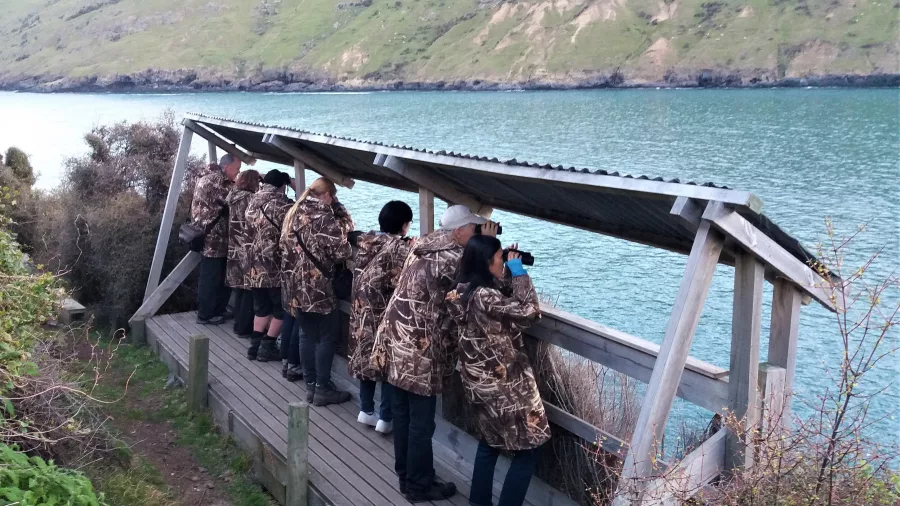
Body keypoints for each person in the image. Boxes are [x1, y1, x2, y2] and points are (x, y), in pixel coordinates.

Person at [374, 204, 498, 502]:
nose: (478, 232)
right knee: (421, 421)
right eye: (474, 229)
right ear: (458, 232)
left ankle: (407, 477)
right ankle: (419, 485)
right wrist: (492, 247)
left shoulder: (424, 245)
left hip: (396, 338)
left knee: (403, 414)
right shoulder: (453, 258)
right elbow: (484, 286)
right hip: (420, 348)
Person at [445, 236, 548, 506]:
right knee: (530, 447)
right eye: (500, 258)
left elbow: (490, 297)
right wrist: (519, 272)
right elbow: (530, 312)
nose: (504, 261)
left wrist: (506, 267)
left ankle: (478, 502)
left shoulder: (460, 290)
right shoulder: (485, 297)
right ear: (487, 263)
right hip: (505, 387)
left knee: (489, 442)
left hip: (477, 383)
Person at [281, 177, 354, 406]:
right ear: (327, 195)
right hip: (318, 288)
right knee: (325, 337)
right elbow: (342, 251)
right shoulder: (324, 216)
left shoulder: (293, 212)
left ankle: (310, 385)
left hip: (295, 286)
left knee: (306, 334)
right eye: (332, 196)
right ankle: (323, 387)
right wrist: (339, 208)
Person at [349, 201, 414, 435]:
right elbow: (404, 280)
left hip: (360, 311)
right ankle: (386, 418)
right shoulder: (399, 248)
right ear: (404, 225)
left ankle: (366, 410)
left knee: (366, 359)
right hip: (384, 314)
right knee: (386, 364)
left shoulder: (366, 240)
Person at [246, 170, 293, 363]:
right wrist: (297, 188)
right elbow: (301, 211)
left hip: (254, 260)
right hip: (272, 262)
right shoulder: (281, 205)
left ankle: (254, 347)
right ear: (282, 186)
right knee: (280, 309)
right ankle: (267, 346)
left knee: (261, 307)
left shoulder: (254, 200)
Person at [192, 154, 241, 325]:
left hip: (210, 235)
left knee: (213, 276)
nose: (238, 173)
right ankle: (206, 315)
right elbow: (234, 200)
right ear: (226, 168)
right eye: (237, 170)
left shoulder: (207, 177)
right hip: (214, 238)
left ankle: (214, 311)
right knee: (211, 278)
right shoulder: (216, 181)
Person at [225, 169, 261, 338]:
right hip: (246, 249)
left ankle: (238, 323)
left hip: (233, 246)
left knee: (239, 289)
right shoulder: (250, 199)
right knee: (248, 290)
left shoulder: (233, 196)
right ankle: (243, 327)